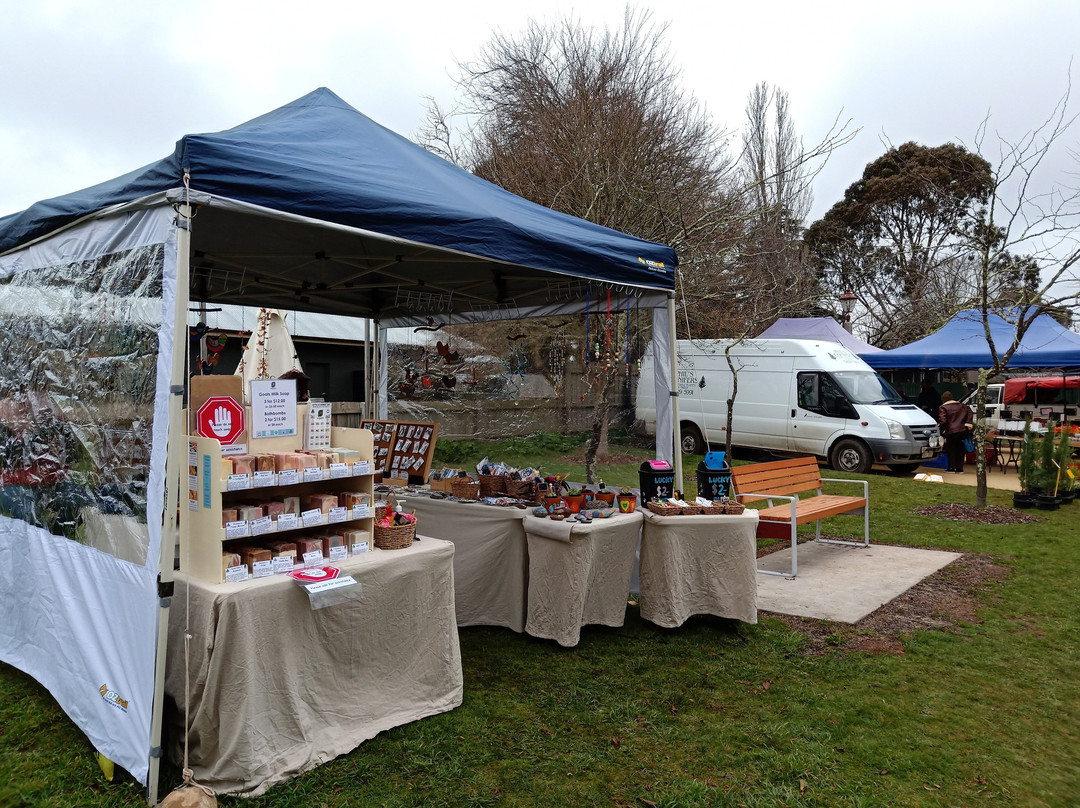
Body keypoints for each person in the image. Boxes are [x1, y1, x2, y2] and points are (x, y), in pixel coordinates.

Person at [938, 391, 974, 473]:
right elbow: (970, 413)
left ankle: (951, 468)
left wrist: (941, 431)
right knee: (960, 450)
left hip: (951, 431)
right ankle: (959, 468)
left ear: (943, 400)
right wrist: (968, 424)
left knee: (951, 449)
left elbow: (943, 421)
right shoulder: (963, 406)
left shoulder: (943, 408)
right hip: (963, 430)